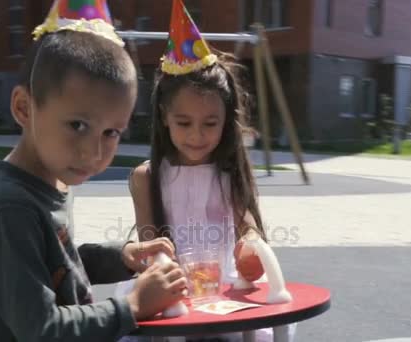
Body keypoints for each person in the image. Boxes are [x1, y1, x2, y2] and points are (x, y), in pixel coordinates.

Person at [0, 1, 186, 341]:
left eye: (111, 133)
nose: (93, 152)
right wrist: (133, 304)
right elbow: (42, 329)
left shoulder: (47, 181)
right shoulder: (9, 209)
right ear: (24, 108)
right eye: (77, 125)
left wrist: (120, 258)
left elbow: (59, 267)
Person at [117, 1, 294, 341]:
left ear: (226, 122)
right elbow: (149, 248)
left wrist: (250, 247)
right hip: (170, 292)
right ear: (164, 118)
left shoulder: (229, 173)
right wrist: (150, 267)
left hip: (222, 290)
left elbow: (249, 229)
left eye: (210, 123)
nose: (196, 135)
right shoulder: (147, 178)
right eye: (184, 123)